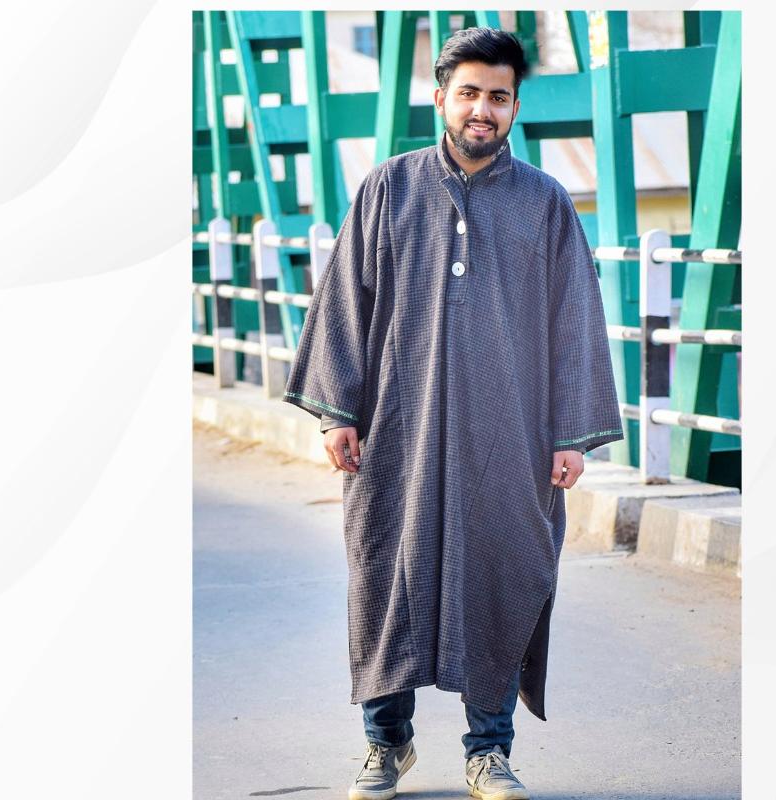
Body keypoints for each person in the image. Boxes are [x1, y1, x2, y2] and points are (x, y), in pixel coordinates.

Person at [283, 26, 622, 800]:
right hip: (398, 432)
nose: (481, 109)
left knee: (504, 573)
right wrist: (337, 414)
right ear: (441, 97)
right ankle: (384, 743)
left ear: (513, 106)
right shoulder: (387, 188)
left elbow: (575, 319)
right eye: (468, 92)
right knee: (384, 576)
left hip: (511, 433)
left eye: (497, 96)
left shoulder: (543, 203)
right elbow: (343, 303)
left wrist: (572, 434)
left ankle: (489, 751)